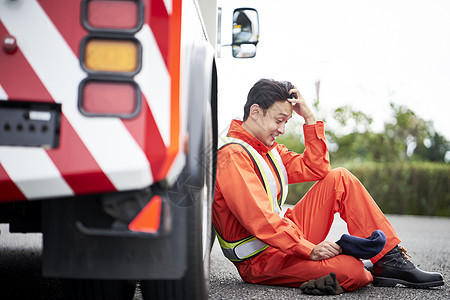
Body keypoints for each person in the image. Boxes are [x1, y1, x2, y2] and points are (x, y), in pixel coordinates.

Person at [212, 78, 444, 295]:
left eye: (286, 122)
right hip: (261, 259)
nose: (282, 129)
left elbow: (317, 169)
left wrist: (310, 119)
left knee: (339, 178)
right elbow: (260, 219)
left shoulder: (267, 150)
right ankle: (347, 256)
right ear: (255, 112)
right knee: (353, 273)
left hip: (283, 241)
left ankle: (389, 260)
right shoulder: (232, 156)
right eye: (279, 120)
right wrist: (309, 249)